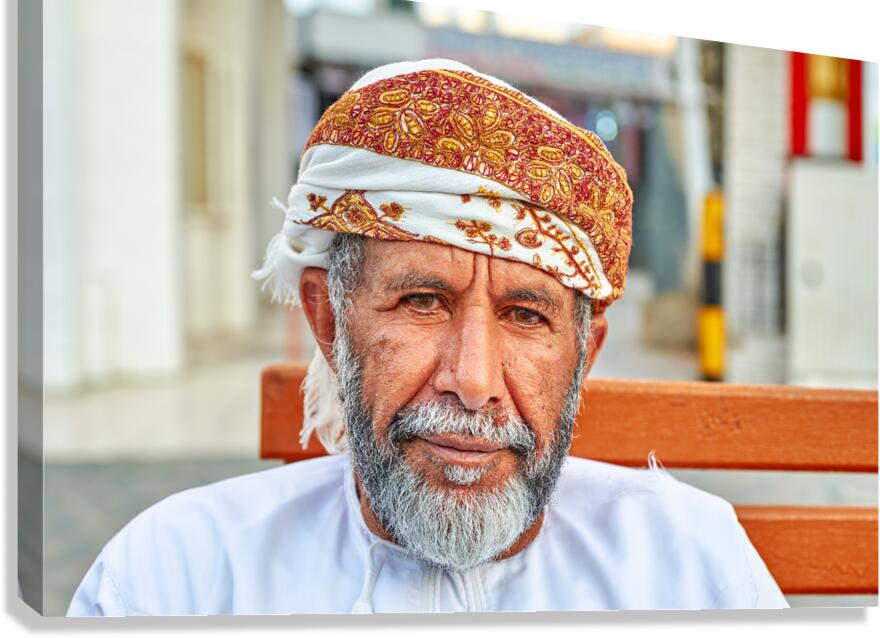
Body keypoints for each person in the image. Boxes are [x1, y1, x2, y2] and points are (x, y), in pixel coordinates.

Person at [68, 59, 788, 615]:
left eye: (526, 316)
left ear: (584, 357)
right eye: (422, 302)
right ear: (328, 320)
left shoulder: (695, 569)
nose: (473, 382)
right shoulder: (174, 578)